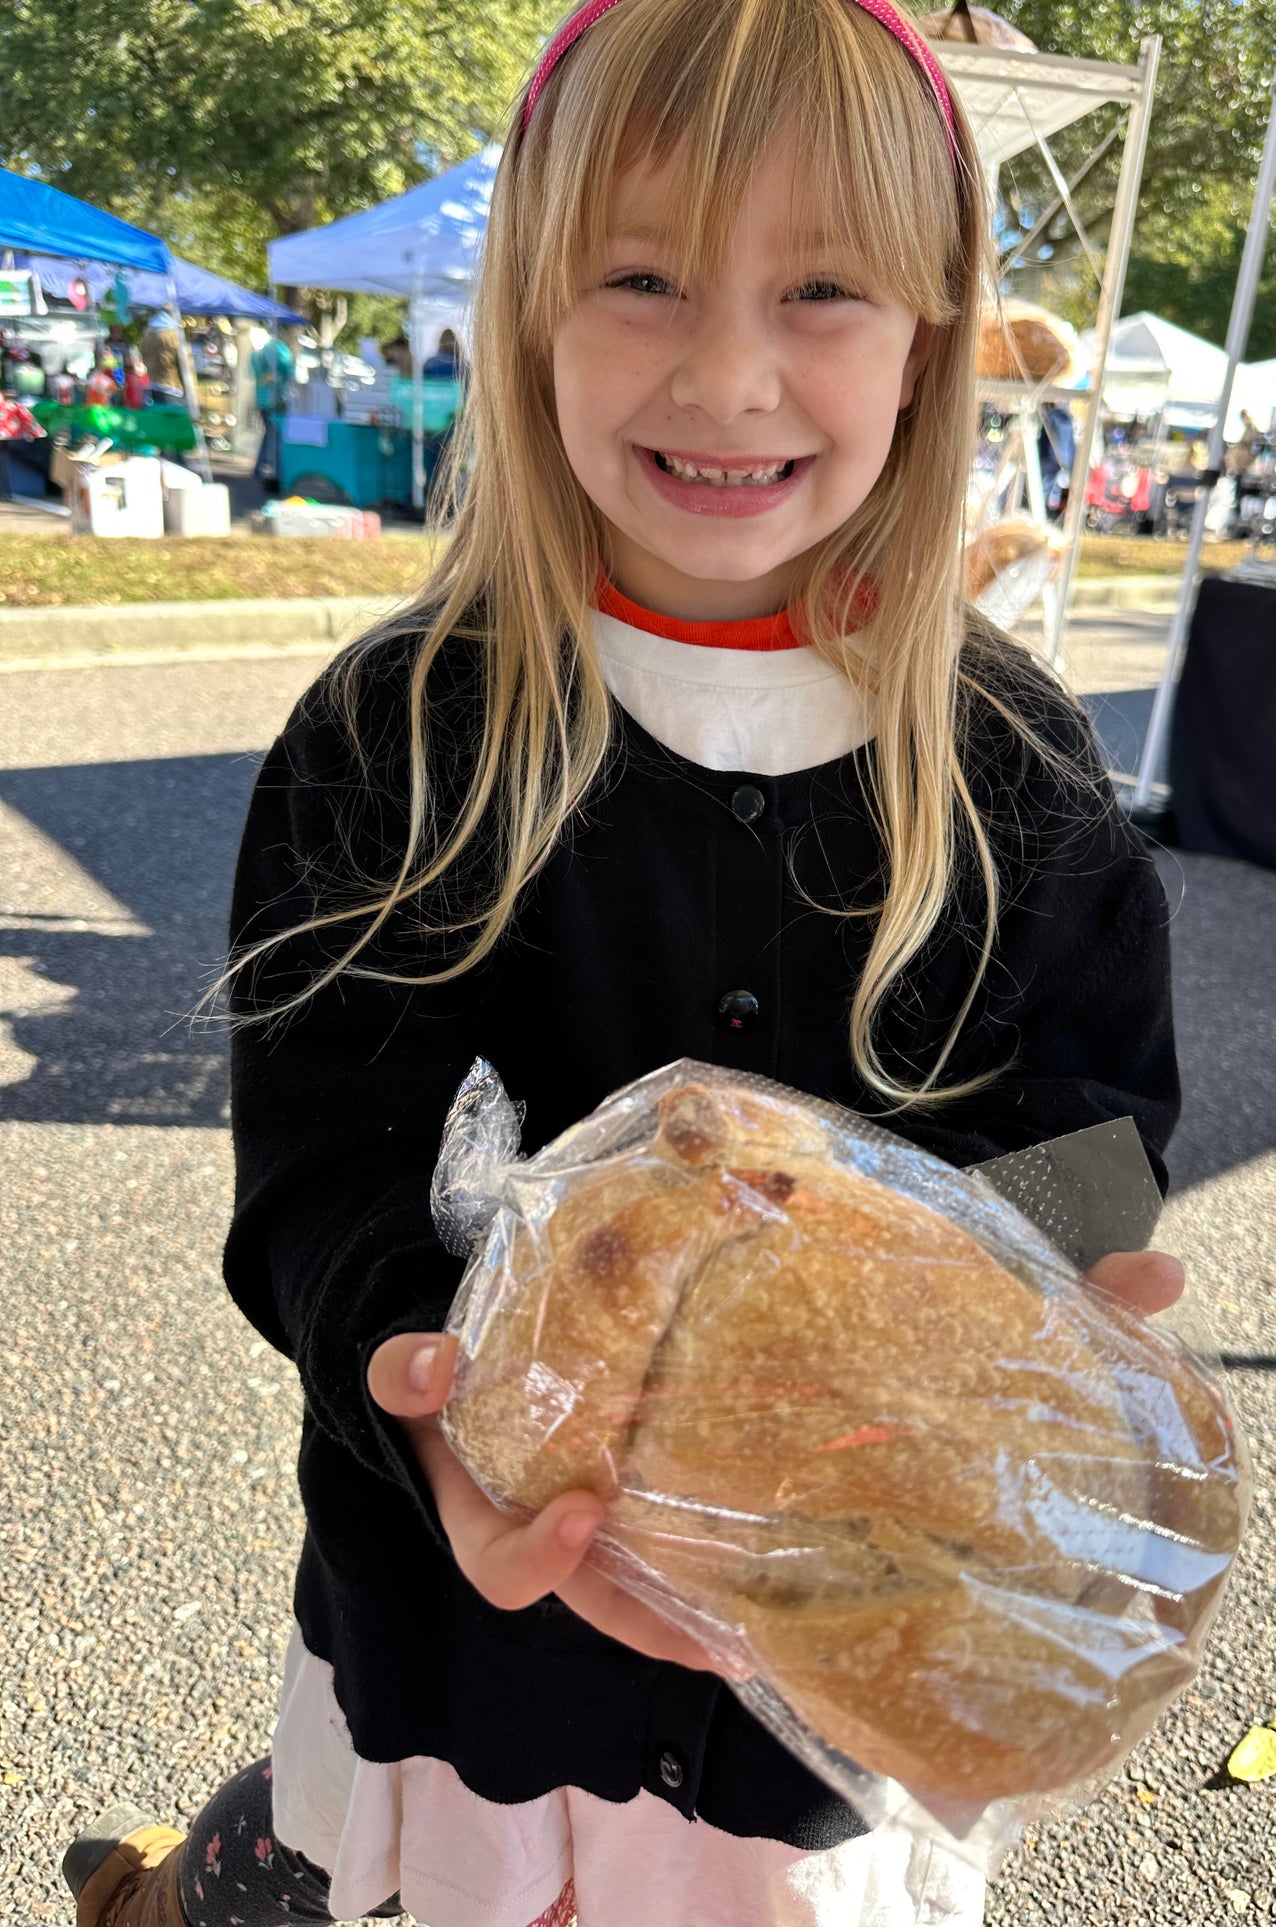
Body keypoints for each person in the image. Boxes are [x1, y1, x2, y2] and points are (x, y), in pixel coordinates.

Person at [63, 3, 1186, 1925]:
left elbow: (1099, 1118)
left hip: (820, 1680)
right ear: (528, 315)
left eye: (820, 288)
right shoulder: (402, 734)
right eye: (642, 278)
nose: (729, 373)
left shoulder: (1014, 764)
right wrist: (427, 1391)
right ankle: (204, 1885)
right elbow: (320, 1178)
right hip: (463, 1637)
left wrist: (1047, 1311)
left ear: (930, 340)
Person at [250, 327, 295, 487]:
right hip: (273, 398)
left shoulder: (256, 352)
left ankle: (260, 465)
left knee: (269, 433)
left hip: (262, 398)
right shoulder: (276, 349)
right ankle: (276, 468)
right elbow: (288, 370)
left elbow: (252, 373)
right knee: (275, 434)